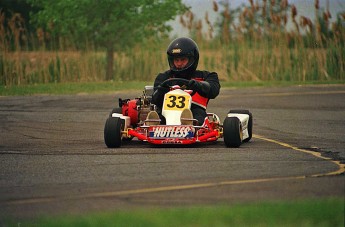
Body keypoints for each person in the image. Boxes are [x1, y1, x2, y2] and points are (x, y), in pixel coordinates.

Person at [151, 37, 220, 125]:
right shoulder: (164, 77)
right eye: (176, 60)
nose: (179, 64)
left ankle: (188, 123)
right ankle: (154, 124)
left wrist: (198, 85)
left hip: (194, 111)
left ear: (192, 59)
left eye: (183, 60)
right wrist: (162, 90)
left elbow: (213, 90)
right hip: (166, 112)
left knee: (198, 115)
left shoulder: (206, 76)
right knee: (159, 114)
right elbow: (155, 100)